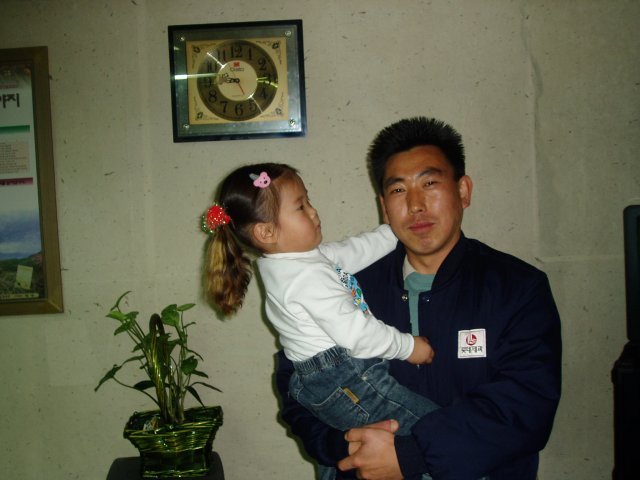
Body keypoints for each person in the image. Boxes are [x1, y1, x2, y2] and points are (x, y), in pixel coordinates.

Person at [275, 117, 562, 480]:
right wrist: (344, 445)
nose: (415, 205)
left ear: (463, 191)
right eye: (398, 190)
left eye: (429, 183)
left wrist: (410, 455)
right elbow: (295, 379)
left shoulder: (517, 287)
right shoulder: (345, 285)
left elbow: (526, 406)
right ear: (384, 207)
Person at [201, 163, 446, 479]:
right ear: (266, 232)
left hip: (322, 380)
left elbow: (354, 250)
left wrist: (392, 231)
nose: (314, 211)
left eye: (309, 200)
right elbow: (358, 335)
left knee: (396, 448)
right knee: (437, 431)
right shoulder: (306, 278)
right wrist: (409, 347)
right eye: (301, 206)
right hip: (346, 378)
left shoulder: (296, 263)